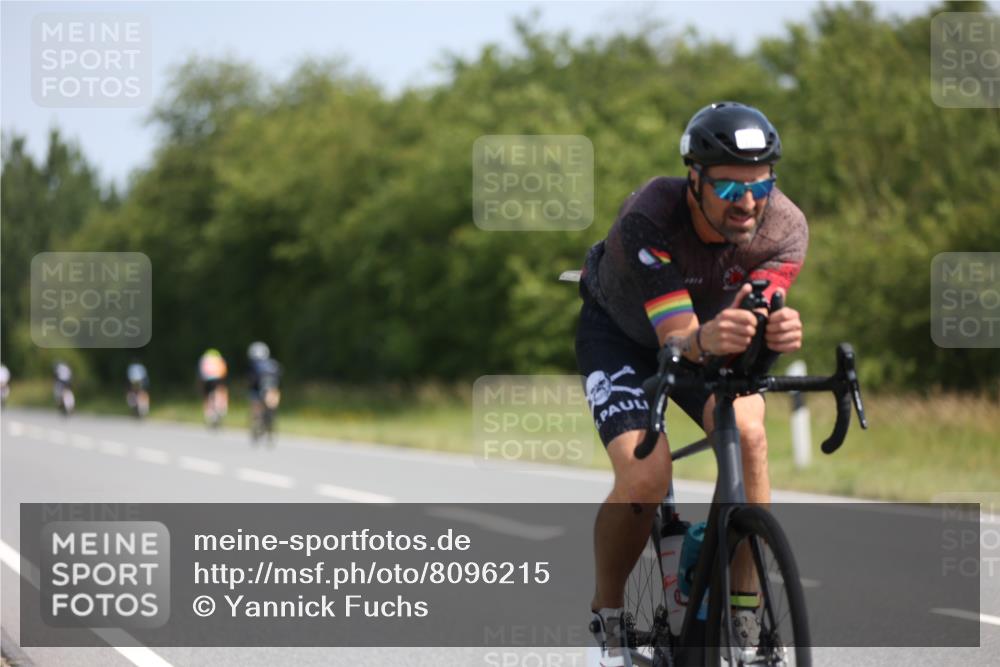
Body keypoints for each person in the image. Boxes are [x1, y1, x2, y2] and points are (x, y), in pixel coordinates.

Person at [576, 102, 807, 664]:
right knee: (646, 474)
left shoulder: (785, 227)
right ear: (695, 179)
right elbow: (677, 338)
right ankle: (608, 622)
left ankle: (745, 613)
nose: (747, 203)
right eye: (728, 188)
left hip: (716, 334)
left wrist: (773, 332)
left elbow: (755, 312)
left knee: (749, 434)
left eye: (759, 185)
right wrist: (713, 336)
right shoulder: (650, 216)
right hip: (626, 335)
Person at [246, 341, 282, 441]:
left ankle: (258, 422)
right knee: (272, 407)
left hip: (259, 389)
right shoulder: (273, 363)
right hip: (272, 390)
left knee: (255, 406)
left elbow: (251, 380)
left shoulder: (253, 364)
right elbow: (279, 377)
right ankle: (270, 423)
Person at [198, 348, 228, 426]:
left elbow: (201, 372)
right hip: (217, 379)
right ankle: (222, 408)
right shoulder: (219, 359)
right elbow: (224, 371)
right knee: (222, 390)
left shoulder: (204, 359)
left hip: (206, 380)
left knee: (206, 396)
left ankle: (207, 413)